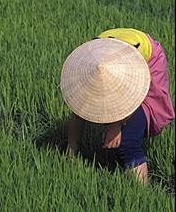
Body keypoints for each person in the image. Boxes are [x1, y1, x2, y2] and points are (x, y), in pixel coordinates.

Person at [60, 28, 175, 183]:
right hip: (109, 47)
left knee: (128, 140)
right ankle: (72, 155)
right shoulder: (90, 63)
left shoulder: (133, 67)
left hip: (144, 55)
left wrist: (117, 123)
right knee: (85, 103)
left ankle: (139, 194)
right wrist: (71, 155)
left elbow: (131, 95)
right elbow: (79, 111)